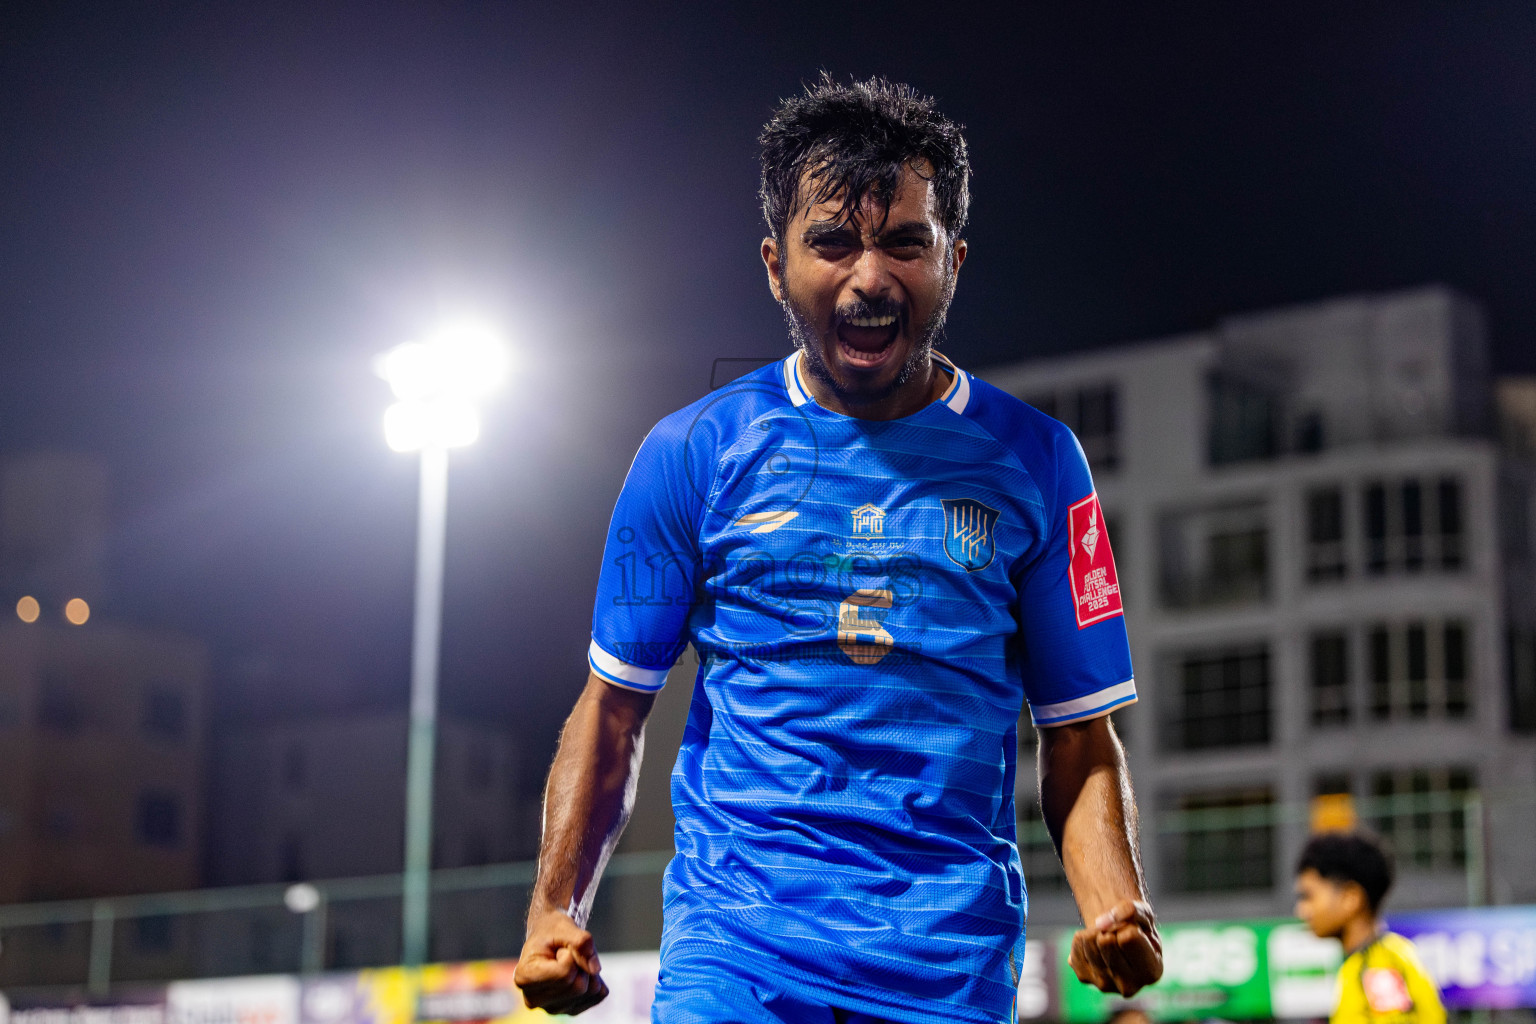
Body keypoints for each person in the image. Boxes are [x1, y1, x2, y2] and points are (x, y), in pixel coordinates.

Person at [513, 74, 1162, 1024]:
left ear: (953, 261)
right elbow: (612, 713)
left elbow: (1079, 736)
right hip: (736, 957)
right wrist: (551, 910)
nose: (869, 276)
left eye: (906, 241)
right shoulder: (692, 453)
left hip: (948, 970)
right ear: (776, 265)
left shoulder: (1040, 464)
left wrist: (1115, 903)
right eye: (833, 242)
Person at [1294, 831, 1446, 1024]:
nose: (1301, 910)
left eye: (1309, 896)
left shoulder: (1380, 967)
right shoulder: (1369, 961)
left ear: (1351, 898)